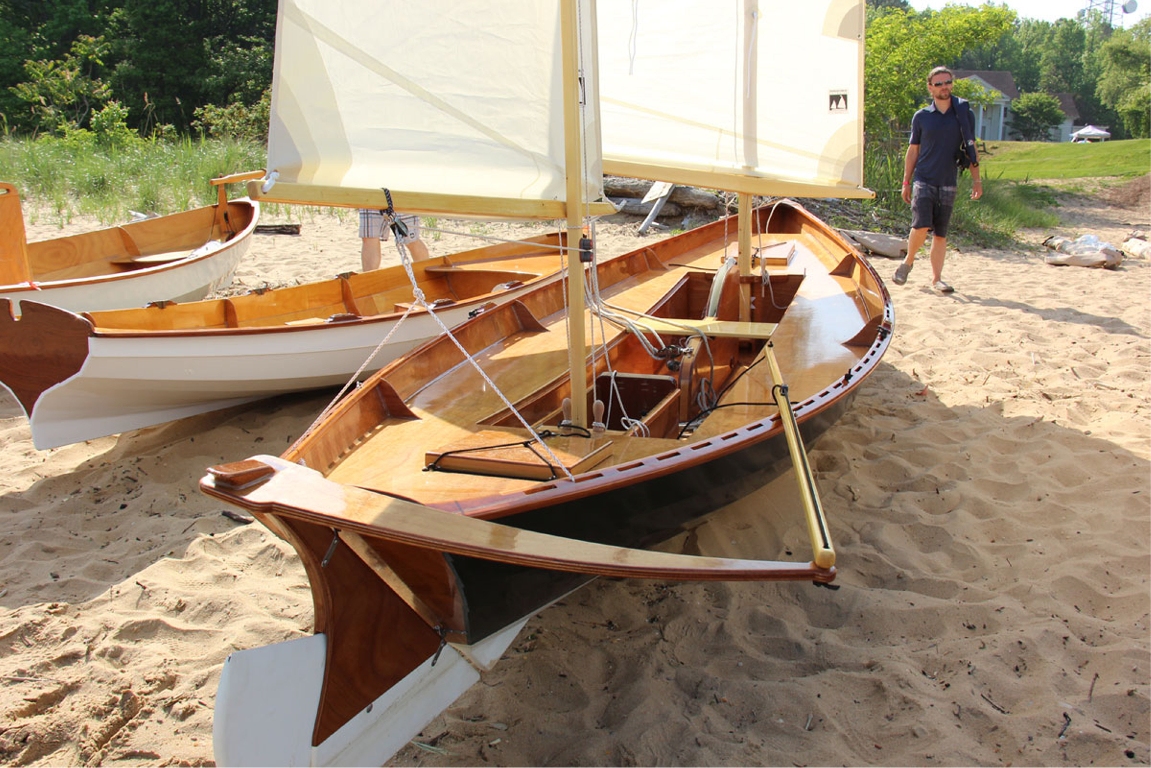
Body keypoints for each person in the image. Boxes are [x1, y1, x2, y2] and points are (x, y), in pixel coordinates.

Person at [892, 66, 982, 294]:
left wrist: (977, 181)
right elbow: (913, 150)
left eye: (948, 82)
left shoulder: (964, 114)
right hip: (924, 178)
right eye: (939, 83)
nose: (945, 87)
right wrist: (906, 182)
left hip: (948, 179)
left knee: (941, 234)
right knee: (920, 225)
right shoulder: (922, 116)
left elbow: (971, 148)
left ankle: (937, 279)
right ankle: (908, 262)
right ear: (930, 87)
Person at [359, 208, 431, 271]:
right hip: (371, 198)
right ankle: (369, 279)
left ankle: (426, 275)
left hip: (400, 198)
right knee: (369, 237)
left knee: (411, 239)